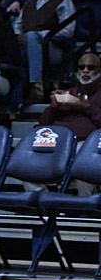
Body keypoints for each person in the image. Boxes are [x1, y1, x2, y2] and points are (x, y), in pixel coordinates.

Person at [35, 52, 101, 196]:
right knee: (29, 161)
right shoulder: (69, 93)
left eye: (91, 67)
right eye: (81, 67)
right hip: (59, 140)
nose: (85, 71)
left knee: (85, 159)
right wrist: (53, 107)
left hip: (87, 142)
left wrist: (89, 109)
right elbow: (42, 125)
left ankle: (86, 205)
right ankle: (42, 203)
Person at [13, 0, 76, 102]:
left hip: (54, 48)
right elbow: (18, 24)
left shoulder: (65, 1)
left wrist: (39, 35)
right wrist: (18, 35)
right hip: (27, 46)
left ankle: (37, 86)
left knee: (31, 36)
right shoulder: (31, 1)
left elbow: (68, 30)